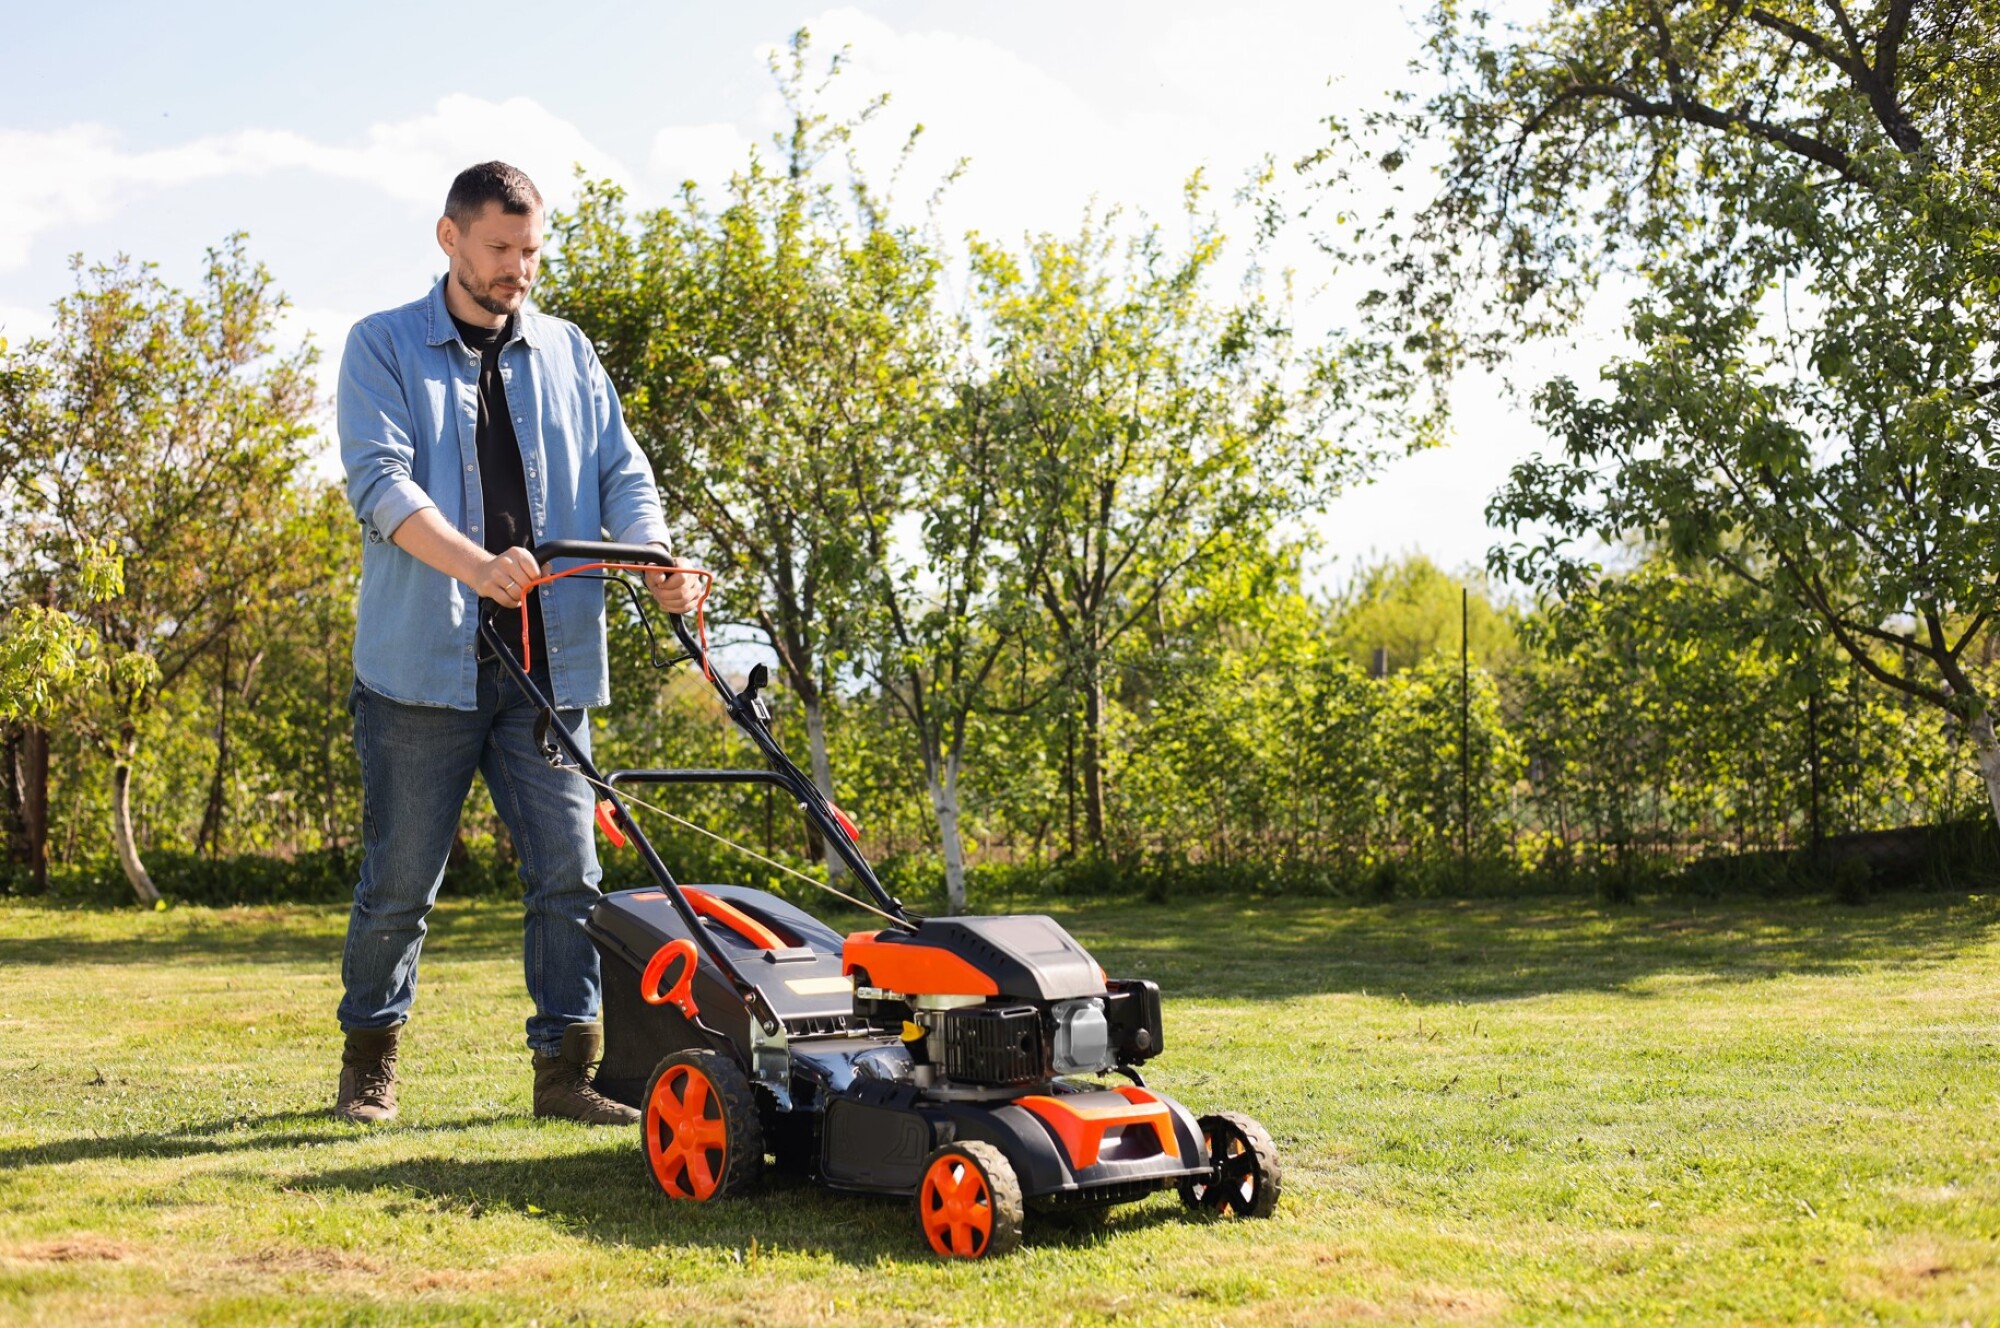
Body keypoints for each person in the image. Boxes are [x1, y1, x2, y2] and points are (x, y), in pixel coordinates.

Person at [333, 161, 697, 1125]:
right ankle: (369, 1058)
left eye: (530, 250)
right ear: (448, 237)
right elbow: (380, 484)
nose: (517, 269)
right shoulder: (381, 347)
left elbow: (625, 470)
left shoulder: (570, 353)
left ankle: (567, 1076)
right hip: (421, 673)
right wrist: (473, 564)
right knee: (401, 885)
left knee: (570, 876)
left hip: (549, 667)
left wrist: (654, 558)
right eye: (500, 248)